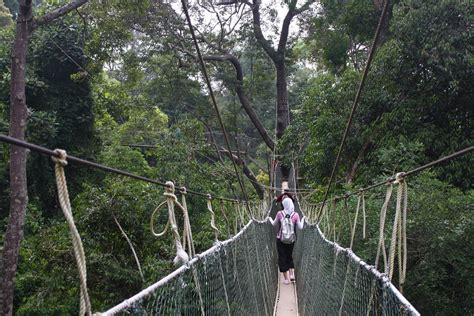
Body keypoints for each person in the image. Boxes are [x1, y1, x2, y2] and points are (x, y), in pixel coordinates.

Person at [268, 196, 304, 285]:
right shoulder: (295, 215)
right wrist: (303, 219)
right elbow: (301, 227)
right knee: (289, 256)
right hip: (291, 240)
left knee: (282, 257)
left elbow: (273, 224)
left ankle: (286, 279)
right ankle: (292, 275)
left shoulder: (280, 213)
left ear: (284, 205)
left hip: (280, 239)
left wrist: (269, 218)